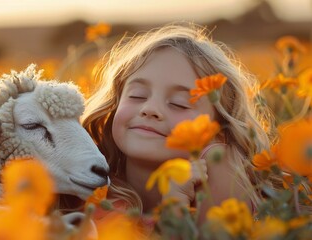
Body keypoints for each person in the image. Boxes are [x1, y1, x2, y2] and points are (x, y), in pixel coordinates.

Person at [81, 23, 272, 224]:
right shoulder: (94, 192)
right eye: (137, 95)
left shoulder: (222, 169)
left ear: (219, 132)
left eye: (178, 104)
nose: (150, 109)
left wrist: (176, 202)